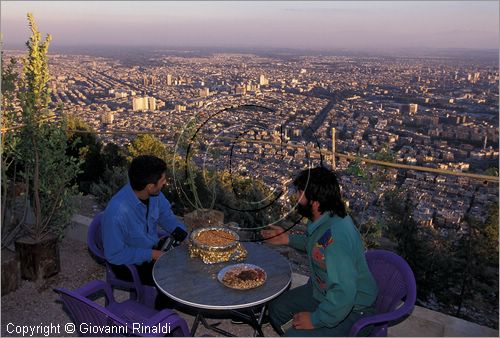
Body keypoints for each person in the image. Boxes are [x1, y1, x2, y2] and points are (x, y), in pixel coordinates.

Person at [261, 166, 378, 337]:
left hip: (354, 307)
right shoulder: (328, 217)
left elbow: (344, 292)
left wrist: (316, 320)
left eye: (299, 193)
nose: (295, 197)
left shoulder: (337, 237)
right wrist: (288, 239)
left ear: (314, 202)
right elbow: (319, 245)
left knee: (293, 336)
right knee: (278, 309)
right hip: (324, 292)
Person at [101, 155, 187, 307]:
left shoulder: (155, 195)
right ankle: (158, 317)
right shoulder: (117, 213)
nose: (165, 182)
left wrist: (184, 235)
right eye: (162, 180)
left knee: (187, 260)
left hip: (150, 248)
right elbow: (115, 255)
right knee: (172, 279)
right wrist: (153, 255)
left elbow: (167, 217)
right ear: (150, 186)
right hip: (127, 263)